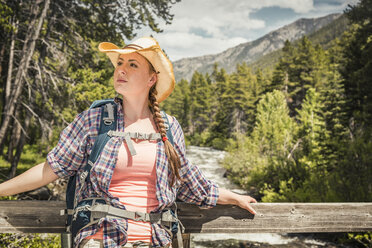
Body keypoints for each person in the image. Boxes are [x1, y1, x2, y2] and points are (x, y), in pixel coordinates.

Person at [0, 37, 257, 248]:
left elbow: (190, 182)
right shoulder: (95, 120)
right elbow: (51, 169)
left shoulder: (169, 127)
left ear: (151, 79)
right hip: (102, 236)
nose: (121, 68)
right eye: (120, 62)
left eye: (132, 64)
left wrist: (234, 197)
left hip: (156, 239)